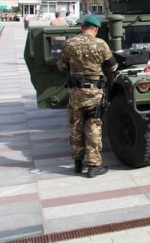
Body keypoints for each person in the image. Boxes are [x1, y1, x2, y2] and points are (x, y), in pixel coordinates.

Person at [57, 15, 118, 178]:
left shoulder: (70, 43)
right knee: (93, 127)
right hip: (93, 92)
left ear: (83, 26)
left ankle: (77, 163)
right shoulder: (100, 44)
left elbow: (61, 66)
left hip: (75, 93)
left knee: (76, 126)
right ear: (96, 29)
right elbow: (113, 67)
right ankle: (93, 166)